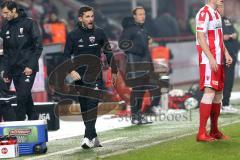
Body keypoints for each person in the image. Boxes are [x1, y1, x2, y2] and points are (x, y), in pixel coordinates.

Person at [64, 6, 118, 149]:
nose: (90, 19)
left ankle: (87, 137)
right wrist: (71, 70)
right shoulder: (72, 35)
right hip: (79, 77)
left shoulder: (100, 32)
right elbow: (65, 56)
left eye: (92, 16)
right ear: (80, 18)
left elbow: (109, 52)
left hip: (95, 75)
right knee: (84, 106)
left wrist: (114, 70)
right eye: (87, 16)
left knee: (92, 104)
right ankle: (93, 137)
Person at [195, 0, 232, 142]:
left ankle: (214, 130)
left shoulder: (216, 13)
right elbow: (200, 37)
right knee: (209, 92)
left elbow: (219, 38)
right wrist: (210, 57)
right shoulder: (204, 13)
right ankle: (201, 133)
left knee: (218, 94)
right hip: (208, 60)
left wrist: (226, 53)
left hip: (218, 58)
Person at [1, 1, 43, 121]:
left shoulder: (29, 23)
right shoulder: (5, 26)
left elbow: (38, 47)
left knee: (22, 96)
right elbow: (7, 52)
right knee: (26, 97)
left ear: (14, 10)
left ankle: (18, 124)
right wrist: (6, 72)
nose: (4, 15)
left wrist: (30, 65)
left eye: (6, 12)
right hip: (13, 69)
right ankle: (34, 121)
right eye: (2, 13)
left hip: (27, 69)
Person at [119, 7, 154, 125]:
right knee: (137, 89)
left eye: (144, 14)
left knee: (142, 89)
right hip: (135, 63)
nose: (142, 16)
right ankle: (135, 115)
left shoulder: (142, 29)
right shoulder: (130, 29)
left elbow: (145, 48)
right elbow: (122, 44)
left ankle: (138, 114)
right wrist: (138, 50)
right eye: (140, 14)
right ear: (134, 16)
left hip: (144, 63)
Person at [217, 5, 239, 114]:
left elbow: (234, 33)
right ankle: (219, 104)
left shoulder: (226, 20)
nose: (222, 10)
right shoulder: (214, 21)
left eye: (223, 8)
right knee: (220, 80)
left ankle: (226, 103)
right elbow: (213, 36)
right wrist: (224, 37)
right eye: (220, 8)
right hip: (220, 55)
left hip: (232, 53)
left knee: (229, 80)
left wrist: (233, 35)